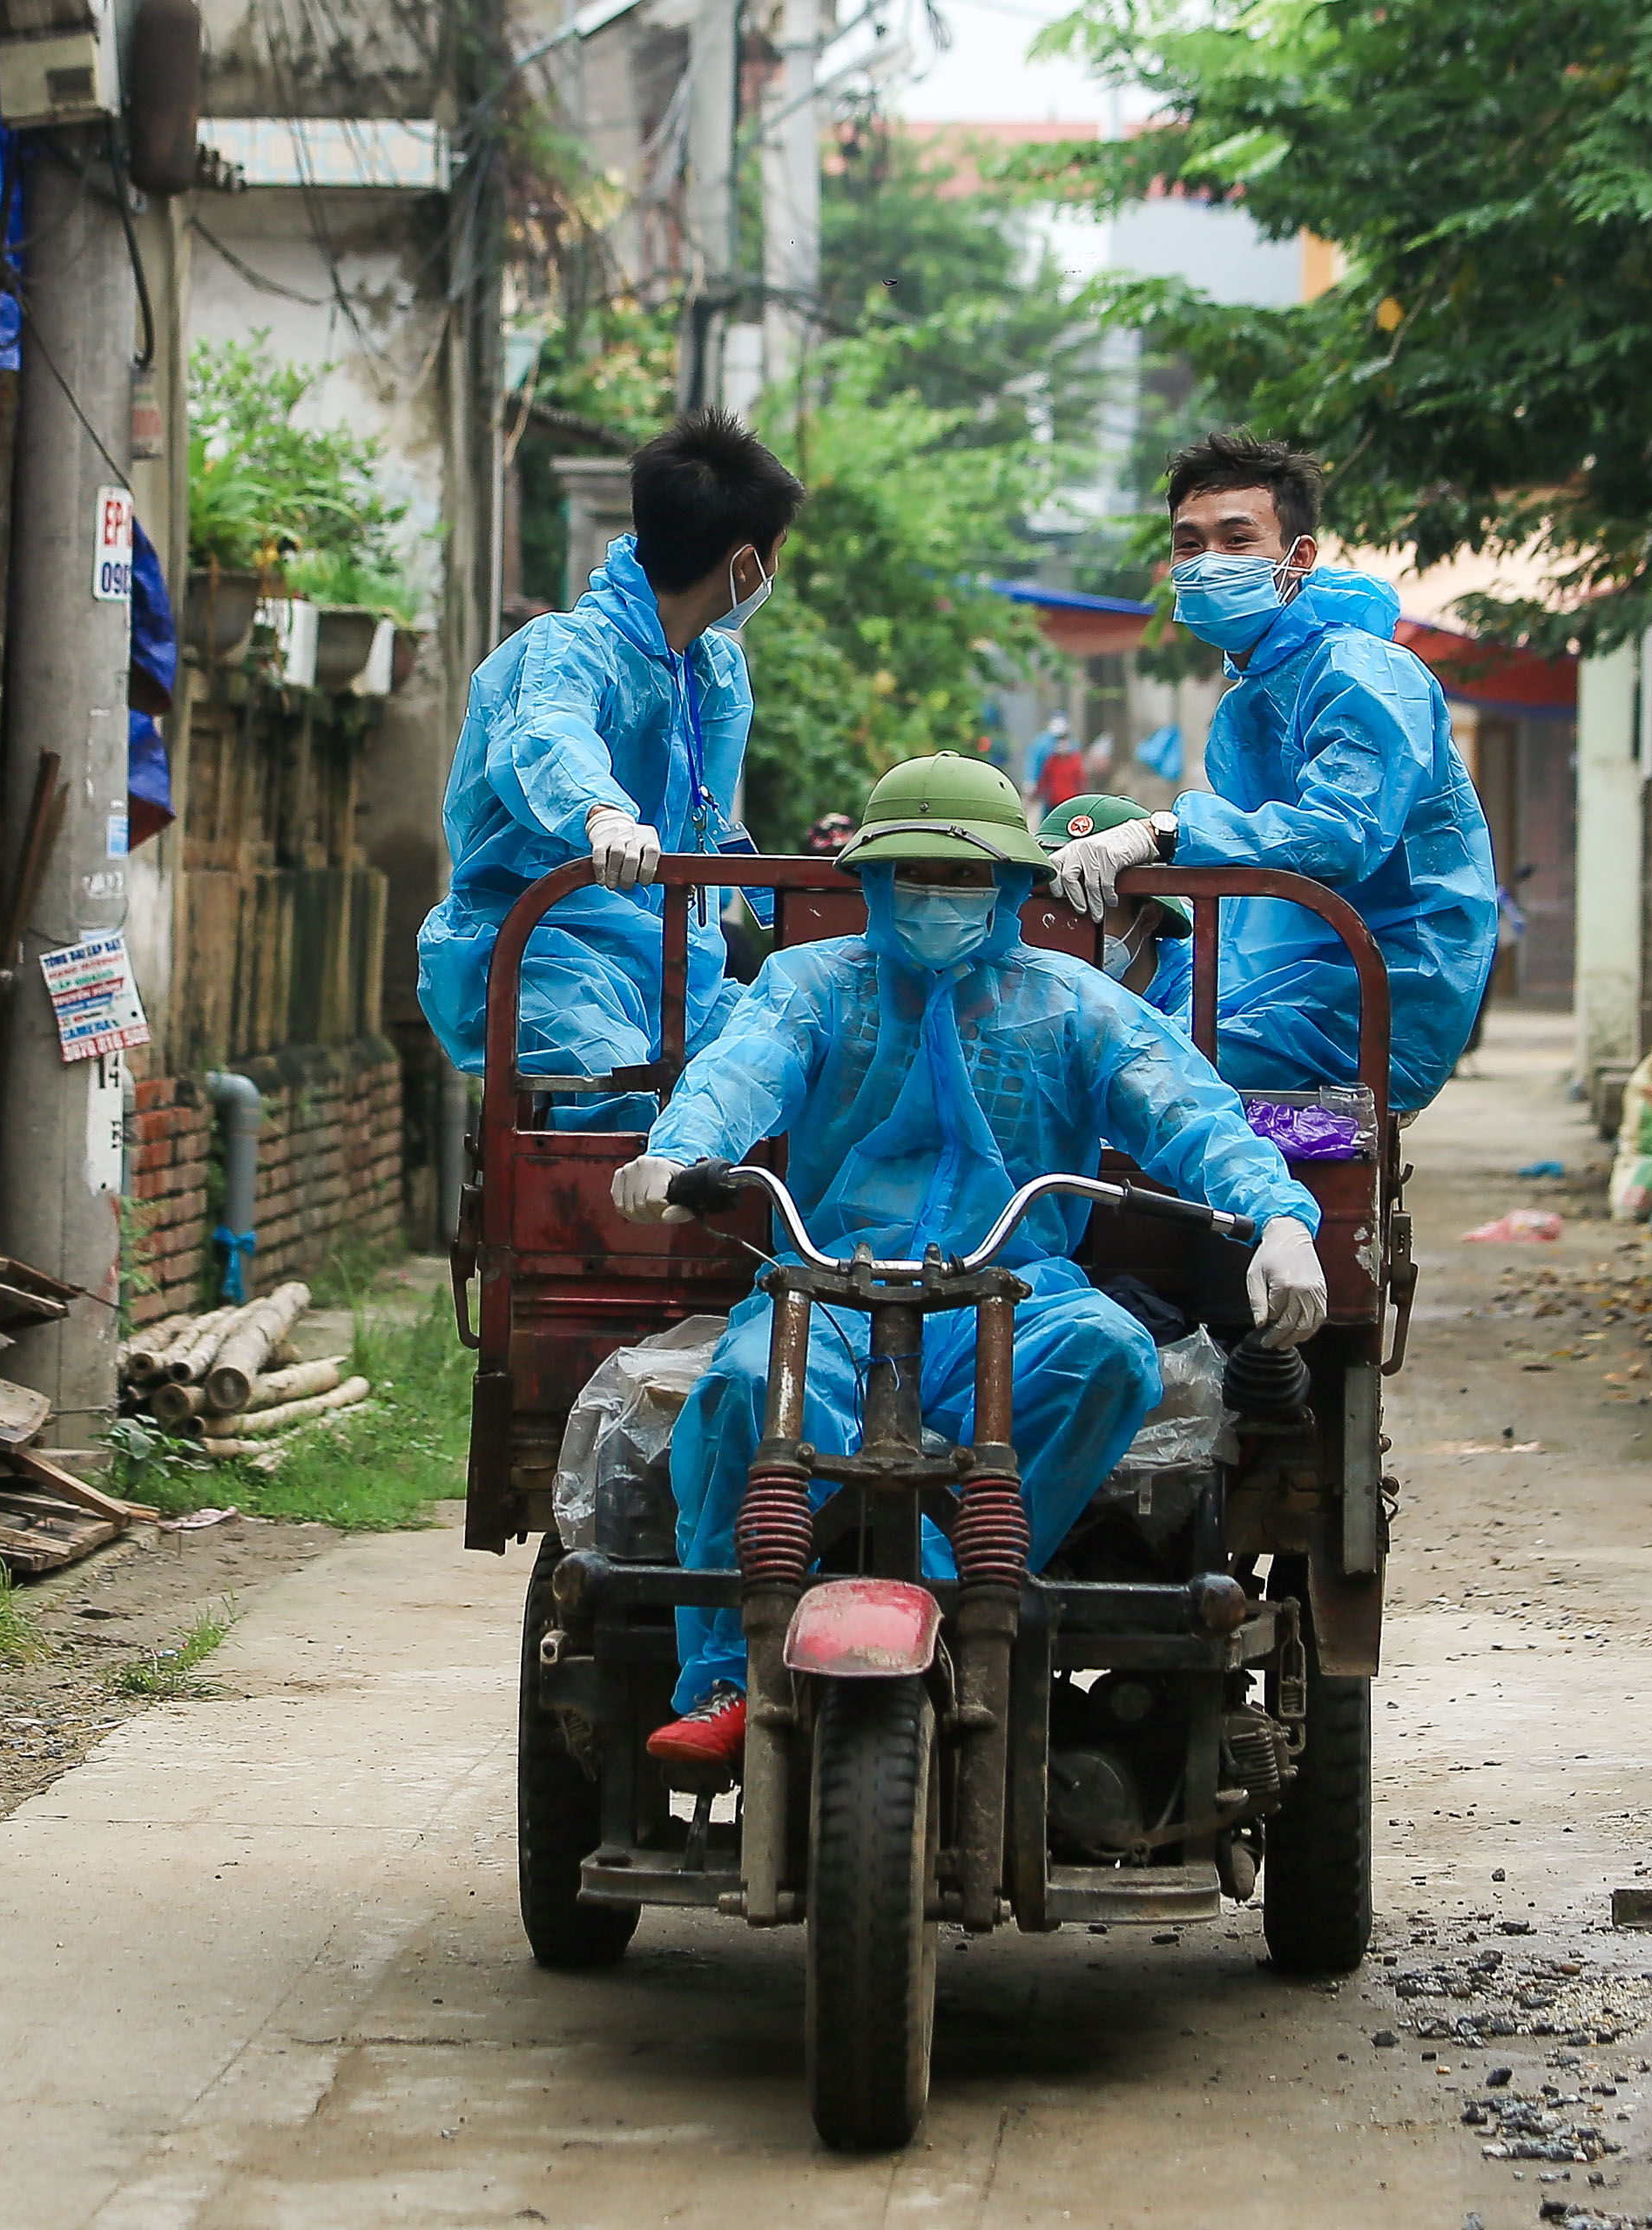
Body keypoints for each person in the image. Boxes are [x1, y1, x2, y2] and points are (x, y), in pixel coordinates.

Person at [611, 753, 1326, 1767]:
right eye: (913, 873)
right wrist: (681, 1151)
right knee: (740, 1392)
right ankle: (731, 1668)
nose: (938, 896)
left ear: (1008, 886)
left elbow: (1189, 1112)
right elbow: (743, 1069)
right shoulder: (811, 983)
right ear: (870, 880)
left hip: (1015, 1296)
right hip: (828, 1290)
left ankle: (953, 1593)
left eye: (962, 877)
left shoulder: (1074, 1003)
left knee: (1109, 1353)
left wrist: (1279, 1216)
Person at [1046, 432, 1498, 1113]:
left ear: (1299, 557)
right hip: (1285, 970)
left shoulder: (1360, 670)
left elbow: (1341, 835)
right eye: (1189, 544)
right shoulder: (1262, 687)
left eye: (1236, 540)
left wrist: (1162, 833)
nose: (1206, 564)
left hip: (1369, 989)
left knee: (1112, 1072)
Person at [415, 410, 806, 1125]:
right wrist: (602, 812)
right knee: (621, 1110)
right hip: (549, 955)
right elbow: (546, 734)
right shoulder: (569, 648)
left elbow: (705, 820)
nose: (770, 575)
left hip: (678, 966)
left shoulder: (713, 672)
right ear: (746, 564)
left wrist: (808, 917)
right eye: (775, 554)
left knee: (789, 1082)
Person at [1037, 791, 1190, 1017]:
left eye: (1086, 904)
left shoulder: (1202, 997)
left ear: (1148, 918)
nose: (1065, 926)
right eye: (1051, 909)